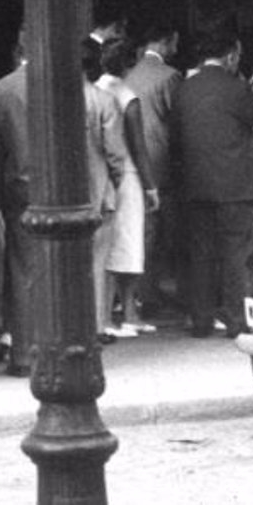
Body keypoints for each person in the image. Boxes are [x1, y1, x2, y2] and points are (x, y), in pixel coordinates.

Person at [172, 27, 253, 338]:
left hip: (195, 183)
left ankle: (200, 319)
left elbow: (174, 135)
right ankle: (237, 319)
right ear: (231, 56)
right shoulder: (237, 89)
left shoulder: (184, 89)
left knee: (201, 253)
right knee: (236, 252)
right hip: (235, 184)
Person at [0, 34, 33, 376]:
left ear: (17, 52)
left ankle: (25, 353)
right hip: (67, 191)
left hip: (19, 188)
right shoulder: (66, 84)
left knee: (22, 270)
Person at [121, 25, 182, 321]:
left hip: (133, 161)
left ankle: (140, 295)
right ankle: (152, 293)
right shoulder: (169, 76)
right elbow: (178, 120)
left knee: (142, 233)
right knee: (161, 234)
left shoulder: (129, 74)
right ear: (167, 40)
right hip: (161, 162)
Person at [96, 38, 155, 338]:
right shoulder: (126, 95)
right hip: (127, 173)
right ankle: (128, 312)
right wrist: (151, 185)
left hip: (101, 175)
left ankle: (105, 314)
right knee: (130, 246)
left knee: (107, 246)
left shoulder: (96, 90)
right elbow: (138, 145)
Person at [79, 39, 128, 347]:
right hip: (99, 191)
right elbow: (115, 153)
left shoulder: (53, 100)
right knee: (97, 263)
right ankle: (96, 325)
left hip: (62, 199)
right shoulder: (103, 101)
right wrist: (116, 180)